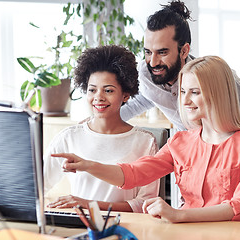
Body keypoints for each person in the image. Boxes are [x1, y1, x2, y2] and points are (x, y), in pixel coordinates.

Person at [53, 56, 240, 223]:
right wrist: (88, 165)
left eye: (194, 92)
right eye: (183, 91)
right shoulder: (180, 142)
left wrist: (177, 215)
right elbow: (134, 173)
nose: (184, 100)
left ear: (218, 93)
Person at [119, 0, 240, 172]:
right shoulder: (146, 73)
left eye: (162, 52)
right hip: (188, 160)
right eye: (148, 52)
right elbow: (146, 98)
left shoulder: (217, 77)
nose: (153, 62)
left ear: (184, 50)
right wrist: (101, 120)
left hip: (225, 164)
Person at [44, 45, 159, 213]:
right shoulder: (69, 138)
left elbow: (145, 204)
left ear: (125, 95)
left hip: (126, 229)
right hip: (80, 227)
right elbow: (37, 186)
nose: (98, 97)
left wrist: (90, 205)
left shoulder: (145, 142)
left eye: (108, 90)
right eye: (92, 90)